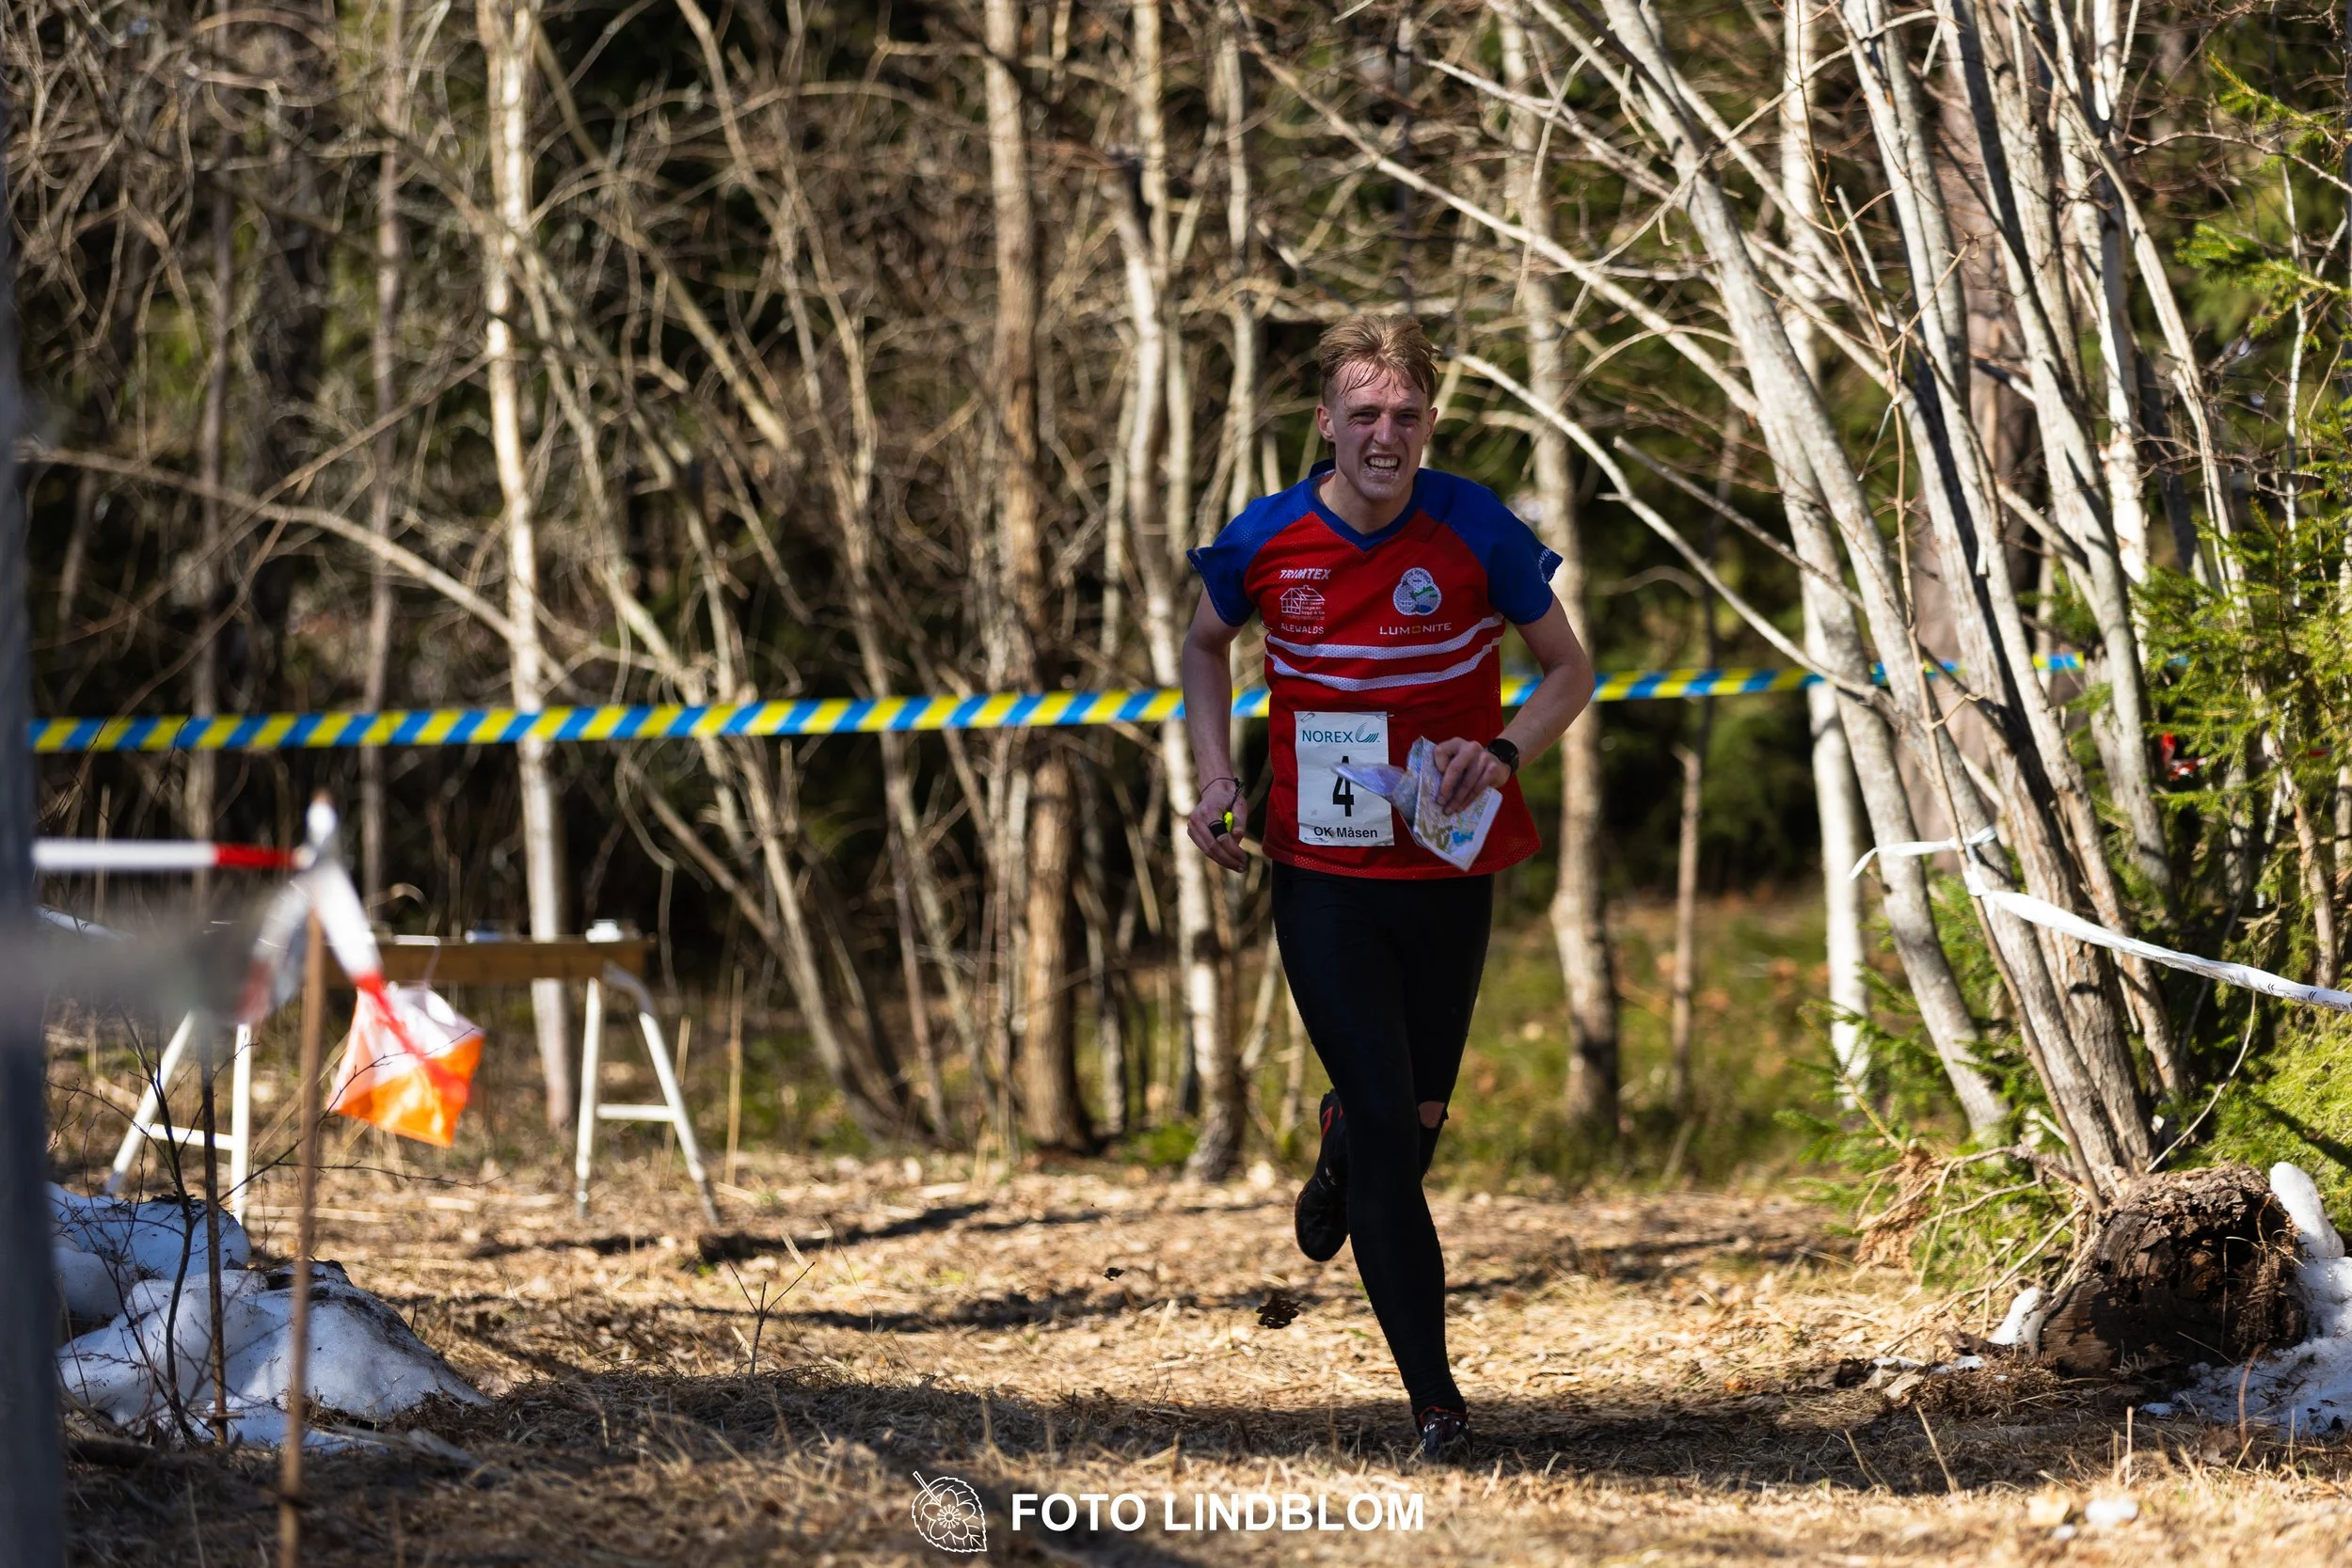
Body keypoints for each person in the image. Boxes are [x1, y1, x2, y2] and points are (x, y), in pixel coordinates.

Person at [1181, 314, 1596, 1462]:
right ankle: (1437, 1400)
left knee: (1408, 1128)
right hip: (1321, 867)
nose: (1384, 435)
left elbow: (1570, 670)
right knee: (1380, 1104)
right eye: (1362, 414)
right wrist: (1217, 770)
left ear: (1428, 423)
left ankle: (1344, 1148)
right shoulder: (1269, 539)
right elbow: (1204, 644)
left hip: (1449, 862)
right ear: (1325, 423)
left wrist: (1503, 750)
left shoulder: (1473, 525)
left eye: (1405, 415)